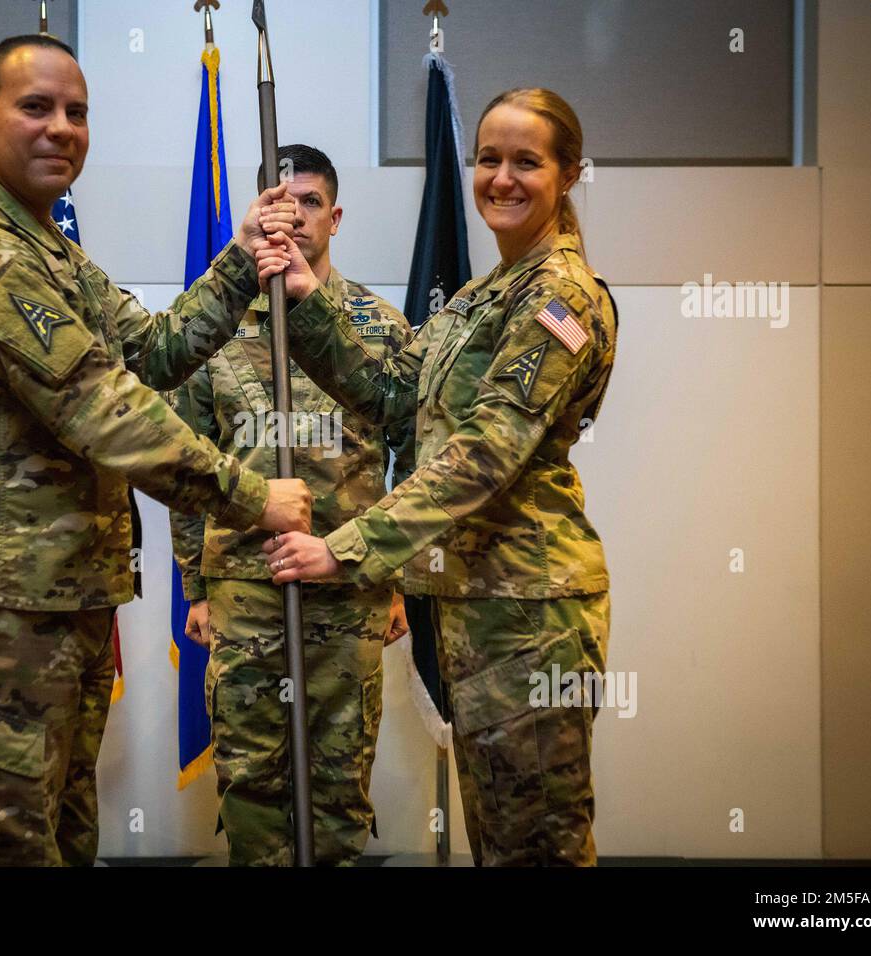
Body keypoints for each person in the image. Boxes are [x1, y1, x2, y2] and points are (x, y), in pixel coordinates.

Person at [0, 34, 310, 866]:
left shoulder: (54, 255)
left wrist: (238, 258)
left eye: (76, 112)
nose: (61, 128)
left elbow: (150, 354)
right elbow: (103, 412)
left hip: (60, 607)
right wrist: (252, 498)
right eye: (35, 107)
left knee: (63, 845)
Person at [257, 89, 618, 866]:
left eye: (528, 161)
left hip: (530, 614)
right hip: (475, 606)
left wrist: (346, 549)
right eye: (489, 158)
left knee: (535, 846)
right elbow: (397, 393)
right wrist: (309, 302)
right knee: (499, 838)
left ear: (570, 173)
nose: (502, 177)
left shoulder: (561, 297)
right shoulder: (482, 296)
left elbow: (484, 453)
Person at [169, 144, 414, 866]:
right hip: (245, 589)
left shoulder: (378, 325)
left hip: (348, 585)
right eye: (281, 200)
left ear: (335, 217)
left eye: (311, 202)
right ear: (259, 212)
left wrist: (392, 573)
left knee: (339, 788)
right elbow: (185, 461)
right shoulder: (214, 326)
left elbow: (412, 455)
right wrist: (196, 588)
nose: (296, 214)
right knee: (251, 786)